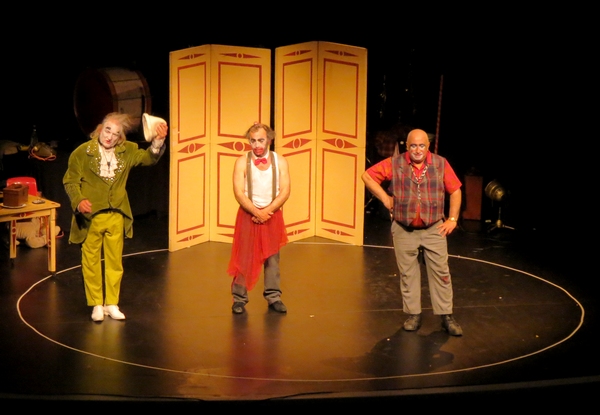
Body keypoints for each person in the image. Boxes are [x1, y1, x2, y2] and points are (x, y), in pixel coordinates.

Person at [63, 112, 168, 322]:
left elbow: (147, 158)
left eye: (116, 133)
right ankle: (96, 304)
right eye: (107, 129)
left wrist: (158, 140)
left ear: (121, 137)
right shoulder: (82, 153)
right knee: (91, 261)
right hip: (91, 217)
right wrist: (78, 200)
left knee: (114, 261)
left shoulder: (127, 151)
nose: (110, 136)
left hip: (117, 214)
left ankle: (111, 303)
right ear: (100, 128)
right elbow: (70, 181)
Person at [361, 128, 463, 336]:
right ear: (407, 147)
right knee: (408, 274)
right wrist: (385, 199)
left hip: (434, 227)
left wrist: (452, 219)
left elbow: (455, 190)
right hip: (403, 228)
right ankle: (414, 314)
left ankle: (446, 316)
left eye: (422, 145)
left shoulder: (440, 163)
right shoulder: (395, 163)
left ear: (428, 147)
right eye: (414, 146)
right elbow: (367, 176)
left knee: (441, 273)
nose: (418, 150)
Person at [227, 122, 290, 314]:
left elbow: (285, 190)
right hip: (248, 215)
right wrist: (256, 212)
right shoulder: (241, 161)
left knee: (272, 259)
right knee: (244, 257)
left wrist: (267, 211)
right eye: (253, 141)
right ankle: (239, 298)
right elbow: (238, 192)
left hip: (272, 214)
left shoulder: (280, 161)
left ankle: (273, 297)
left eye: (261, 140)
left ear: (269, 140)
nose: (257, 145)